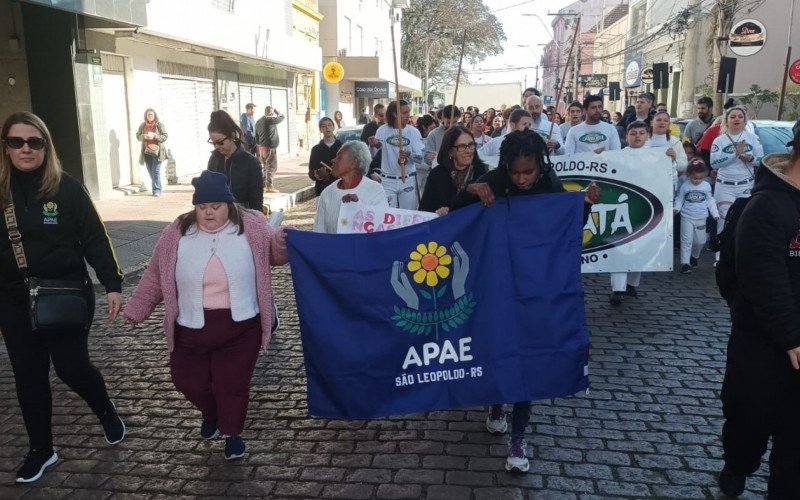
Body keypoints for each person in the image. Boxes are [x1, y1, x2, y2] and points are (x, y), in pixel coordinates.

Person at [450, 130, 600, 473]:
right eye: (515, 172)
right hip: (493, 284)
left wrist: (586, 205)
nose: (521, 179)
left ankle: (517, 437)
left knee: (527, 358)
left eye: (528, 172)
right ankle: (495, 403)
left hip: (534, 288)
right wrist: (471, 190)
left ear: (540, 166)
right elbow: (453, 217)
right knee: (495, 348)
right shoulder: (492, 178)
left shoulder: (549, 180)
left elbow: (567, 226)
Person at [123, 170, 288, 461]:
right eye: (202, 207)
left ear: (229, 205)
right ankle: (211, 413)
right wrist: (139, 307)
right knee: (187, 380)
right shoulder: (176, 231)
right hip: (191, 326)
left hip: (241, 326)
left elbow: (273, 253)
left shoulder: (251, 224)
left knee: (232, 384)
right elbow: (155, 275)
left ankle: (232, 434)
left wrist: (283, 243)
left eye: (215, 206)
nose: (208, 212)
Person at [0, 112, 125, 483]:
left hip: (64, 294)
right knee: (29, 375)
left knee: (71, 368)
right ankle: (42, 450)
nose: (25, 148)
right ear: (5, 147)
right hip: (12, 299)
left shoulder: (66, 188)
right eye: (16, 141)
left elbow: (94, 238)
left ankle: (104, 409)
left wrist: (112, 283)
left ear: (46, 146)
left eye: (34, 142)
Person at [717, 130, 800, 498]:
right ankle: (737, 465)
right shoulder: (766, 206)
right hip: (760, 345)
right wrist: (790, 336)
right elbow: (761, 277)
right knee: (747, 426)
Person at [710, 106, 763, 261]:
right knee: (723, 219)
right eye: (733, 117)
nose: (736, 119)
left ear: (744, 120)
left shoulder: (752, 138)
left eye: (740, 117)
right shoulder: (719, 140)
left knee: (743, 220)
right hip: (724, 186)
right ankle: (721, 257)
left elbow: (761, 159)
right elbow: (714, 163)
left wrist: (751, 159)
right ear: (727, 120)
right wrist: (735, 154)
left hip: (745, 185)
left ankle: (738, 254)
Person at [609, 121, 650, 305]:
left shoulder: (656, 156)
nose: (638, 136)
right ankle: (618, 288)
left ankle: (632, 284)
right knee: (619, 244)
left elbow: (668, 178)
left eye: (641, 133)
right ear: (626, 136)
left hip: (648, 206)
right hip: (623, 205)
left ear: (647, 135)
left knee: (640, 246)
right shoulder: (618, 156)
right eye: (633, 133)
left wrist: (670, 160)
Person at [313, 141, 387, 233]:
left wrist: (359, 207)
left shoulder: (375, 190)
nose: (333, 160)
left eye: (339, 157)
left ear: (353, 163)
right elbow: (319, 232)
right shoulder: (327, 193)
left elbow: (381, 229)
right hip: (335, 247)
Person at [419, 125, 488, 215]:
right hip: (445, 227)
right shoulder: (436, 175)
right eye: (462, 146)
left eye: (471, 145)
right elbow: (424, 211)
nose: (468, 151)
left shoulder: (481, 171)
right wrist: (436, 213)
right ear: (450, 151)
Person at [206, 110, 264, 211]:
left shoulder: (250, 162)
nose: (216, 147)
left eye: (220, 142)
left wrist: (256, 222)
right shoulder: (214, 159)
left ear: (232, 136)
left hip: (242, 217)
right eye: (213, 143)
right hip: (217, 218)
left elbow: (256, 200)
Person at [375, 100, 425, 209]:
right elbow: (376, 151)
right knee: (388, 216)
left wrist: (409, 154)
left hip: (407, 179)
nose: (408, 115)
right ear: (395, 114)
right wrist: (373, 144)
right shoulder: (382, 130)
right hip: (387, 180)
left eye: (409, 112)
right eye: (405, 112)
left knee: (408, 215)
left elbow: (420, 159)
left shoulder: (414, 132)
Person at [673, 159, 719, 274]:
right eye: (694, 178)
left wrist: (715, 213)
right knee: (686, 240)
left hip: (701, 217)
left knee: (700, 241)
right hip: (686, 217)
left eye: (700, 178)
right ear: (688, 175)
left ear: (704, 176)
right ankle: (685, 263)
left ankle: (694, 255)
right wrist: (676, 209)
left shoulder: (706, 186)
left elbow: (710, 201)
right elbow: (679, 199)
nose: (697, 181)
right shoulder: (685, 186)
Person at [647, 111, 688, 191]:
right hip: (647, 183)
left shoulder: (675, 142)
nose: (662, 122)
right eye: (658, 120)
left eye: (665, 121)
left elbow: (684, 166)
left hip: (668, 185)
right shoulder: (643, 141)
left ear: (669, 125)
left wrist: (674, 159)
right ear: (652, 123)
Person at [136, 108, 169, 196]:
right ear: (146, 116)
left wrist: (156, 136)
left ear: (154, 115)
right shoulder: (143, 126)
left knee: (155, 171)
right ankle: (157, 186)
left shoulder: (159, 125)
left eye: (152, 114)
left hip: (158, 152)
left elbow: (165, 136)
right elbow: (138, 136)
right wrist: (144, 136)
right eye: (148, 115)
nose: (150, 116)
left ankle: (157, 190)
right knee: (151, 171)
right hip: (146, 152)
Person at [308, 117, 342, 197]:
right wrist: (316, 174)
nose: (327, 128)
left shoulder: (342, 147)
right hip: (322, 190)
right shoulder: (316, 150)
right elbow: (311, 172)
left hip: (340, 190)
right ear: (320, 130)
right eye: (324, 126)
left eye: (329, 125)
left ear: (333, 127)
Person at [254, 106, 284, 193]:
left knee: (265, 167)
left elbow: (256, 136)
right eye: (272, 113)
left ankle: (263, 186)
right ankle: (269, 186)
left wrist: (259, 147)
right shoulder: (270, 120)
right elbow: (282, 117)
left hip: (262, 147)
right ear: (270, 113)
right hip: (270, 148)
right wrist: (277, 111)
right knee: (271, 167)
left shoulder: (258, 121)